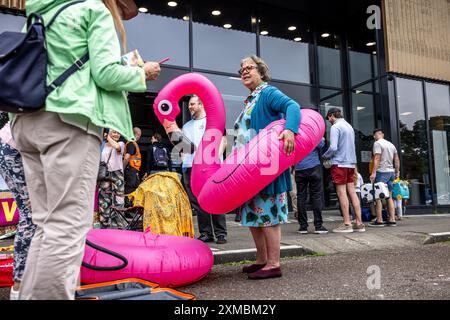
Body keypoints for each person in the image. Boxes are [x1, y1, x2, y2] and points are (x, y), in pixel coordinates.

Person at [10, 0, 160, 299]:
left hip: (27, 121)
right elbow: (105, 74)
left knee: (46, 224)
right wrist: (142, 73)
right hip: (69, 122)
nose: (120, 15)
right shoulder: (95, 10)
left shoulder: (45, 10)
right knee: (66, 226)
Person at [235, 56, 300, 280]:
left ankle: (273, 263)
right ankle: (262, 259)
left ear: (261, 72)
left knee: (268, 213)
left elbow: (292, 106)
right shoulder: (249, 99)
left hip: (265, 166)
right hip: (248, 168)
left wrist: (290, 129)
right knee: (254, 213)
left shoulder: (268, 92)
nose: (244, 72)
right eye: (242, 69)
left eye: (249, 68)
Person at [182, 95, 228, 245]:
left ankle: (220, 233)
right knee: (198, 202)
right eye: (189, 104)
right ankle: (206, 233)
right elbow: (183, 147)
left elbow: (224, 141)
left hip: (210, 167)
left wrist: (214, 158)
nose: (190, 107)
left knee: (215, 199)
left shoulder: (213, 121)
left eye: (193, 104)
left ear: (201, 105)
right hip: (191, 168)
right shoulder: (186, 126)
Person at [0, 113, 36, 300]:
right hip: (14, 149)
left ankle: (27, 281)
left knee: (35, 216)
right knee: (31, 215)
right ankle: (19, 285)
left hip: (20, 149)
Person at [322, 108, 366, 233]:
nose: (329, 121)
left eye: (328, 118)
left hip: (339, 163)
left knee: (342, 193)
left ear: (331, 116)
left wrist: (325, 155)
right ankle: (359, 223)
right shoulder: (349, 126)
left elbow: (333, 147)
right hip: (351, 163)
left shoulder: (336, 127)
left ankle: (347, 223)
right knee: (352, 192)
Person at [295, 137, 328, 234]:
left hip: (299, 168)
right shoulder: (312, 133)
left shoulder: (294, 134)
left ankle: (303, 227)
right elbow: (321, 144)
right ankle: (318, 226)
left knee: (301, 197)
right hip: (314, 167)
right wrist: (321, 137)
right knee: (316, 196)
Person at [369, 129, 400, 227]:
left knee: (378, 197)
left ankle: (379, 220)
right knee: (389, 196)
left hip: (381, 172)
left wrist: (373, 172)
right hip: (391, 173)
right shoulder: (391, 145)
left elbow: (377, 158)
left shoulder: (377, 144)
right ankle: (392, 219)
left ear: (375, 136)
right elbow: (396, 160)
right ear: (382, 134)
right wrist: (397, 172)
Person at [98, 129, 126, 229]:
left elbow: (117, 147)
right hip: (104, 175)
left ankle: (117, 228)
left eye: (118, 133)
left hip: (117, 174)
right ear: (109, 132)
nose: (117, 134)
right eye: (114, 132)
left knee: (118, 201)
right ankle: (103, 227)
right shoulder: (102, 145)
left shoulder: (121, 144)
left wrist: (107, 137)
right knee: (104, 202)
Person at [123, 127, 142, 203]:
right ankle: (129, 211)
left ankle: (130, 210)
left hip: (132, 172)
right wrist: (122, 168)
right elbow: (127, 158)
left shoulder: (131, 143)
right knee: (130, 191)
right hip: (131, 171)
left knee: (130, 191)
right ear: (138, 134)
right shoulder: (132, 143)